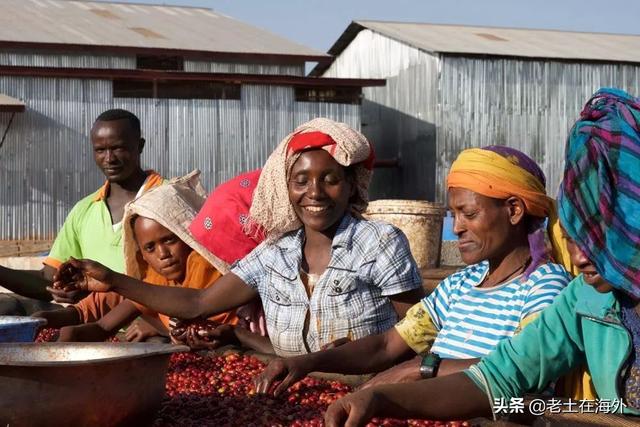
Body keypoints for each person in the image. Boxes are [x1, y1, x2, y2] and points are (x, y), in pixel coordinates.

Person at [322, 88, 640, 425]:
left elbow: (539, 401)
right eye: (573, 237)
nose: (577, 258)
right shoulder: (588, 300)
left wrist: (423, 369)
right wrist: (380, 397)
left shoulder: (548, 287)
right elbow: (500, 377)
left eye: (597, 237)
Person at [54, 118, 426, 356]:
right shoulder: (274, 253)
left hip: (360, 394)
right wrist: (113, 279)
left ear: (350, 185)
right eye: (301, 181)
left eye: (330, 179)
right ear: (286, 188)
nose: (314, 192)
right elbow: (199, 303)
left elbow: (415, 335)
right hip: (292, 393)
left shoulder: (380, 244)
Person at [254, 145, 572, 395]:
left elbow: (524, 367)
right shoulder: (461, 285)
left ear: (514, 210)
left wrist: (420, 369)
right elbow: (387, 345)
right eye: (453, 215)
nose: (457, 228)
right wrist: (308, 362)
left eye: (469, 213)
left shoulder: (544, 286)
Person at [38, 171, 271, 352]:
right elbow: (102, 326)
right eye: (150, 248)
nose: (163, 254)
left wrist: (155, 325)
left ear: (186, 237)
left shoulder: (207, 268)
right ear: (142, 255)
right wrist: (57, 331)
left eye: (169, 240)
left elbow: (194, 305)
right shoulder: (151, 280)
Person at [0, 109, 163, 314]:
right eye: (100, 150)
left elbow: (188, 281)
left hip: (155, 329)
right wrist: (74, 289)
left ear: (139, 146)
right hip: (96, 331)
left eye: (118, 148)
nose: (109, 158)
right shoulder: (84, 209)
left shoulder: (167, 201)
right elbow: (49, 279)